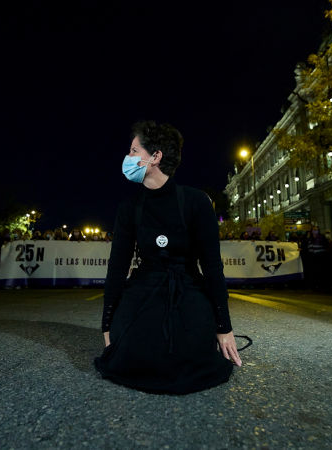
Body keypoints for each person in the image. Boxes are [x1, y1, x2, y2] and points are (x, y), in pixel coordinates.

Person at [94, 120, 244, 395]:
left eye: (133, 151)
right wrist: (108, 325)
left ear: (155, 157)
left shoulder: (196, 202)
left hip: (188, 287)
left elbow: (211, 267)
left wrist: (224, 327)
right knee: (135, 345)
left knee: (190, 345)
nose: (127, 158)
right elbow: (117, 268)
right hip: (143, 287)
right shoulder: (129, 208)